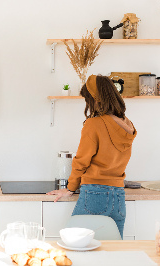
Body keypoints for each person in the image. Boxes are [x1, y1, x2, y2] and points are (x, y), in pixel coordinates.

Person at [47, 75, 137, 238]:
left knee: (74, 244)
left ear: (95, 99)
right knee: (113, 251)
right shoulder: (127, 124)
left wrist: (70, 188)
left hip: (95, 194)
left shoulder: (94, 124)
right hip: (118, 196)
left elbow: (81, 161)